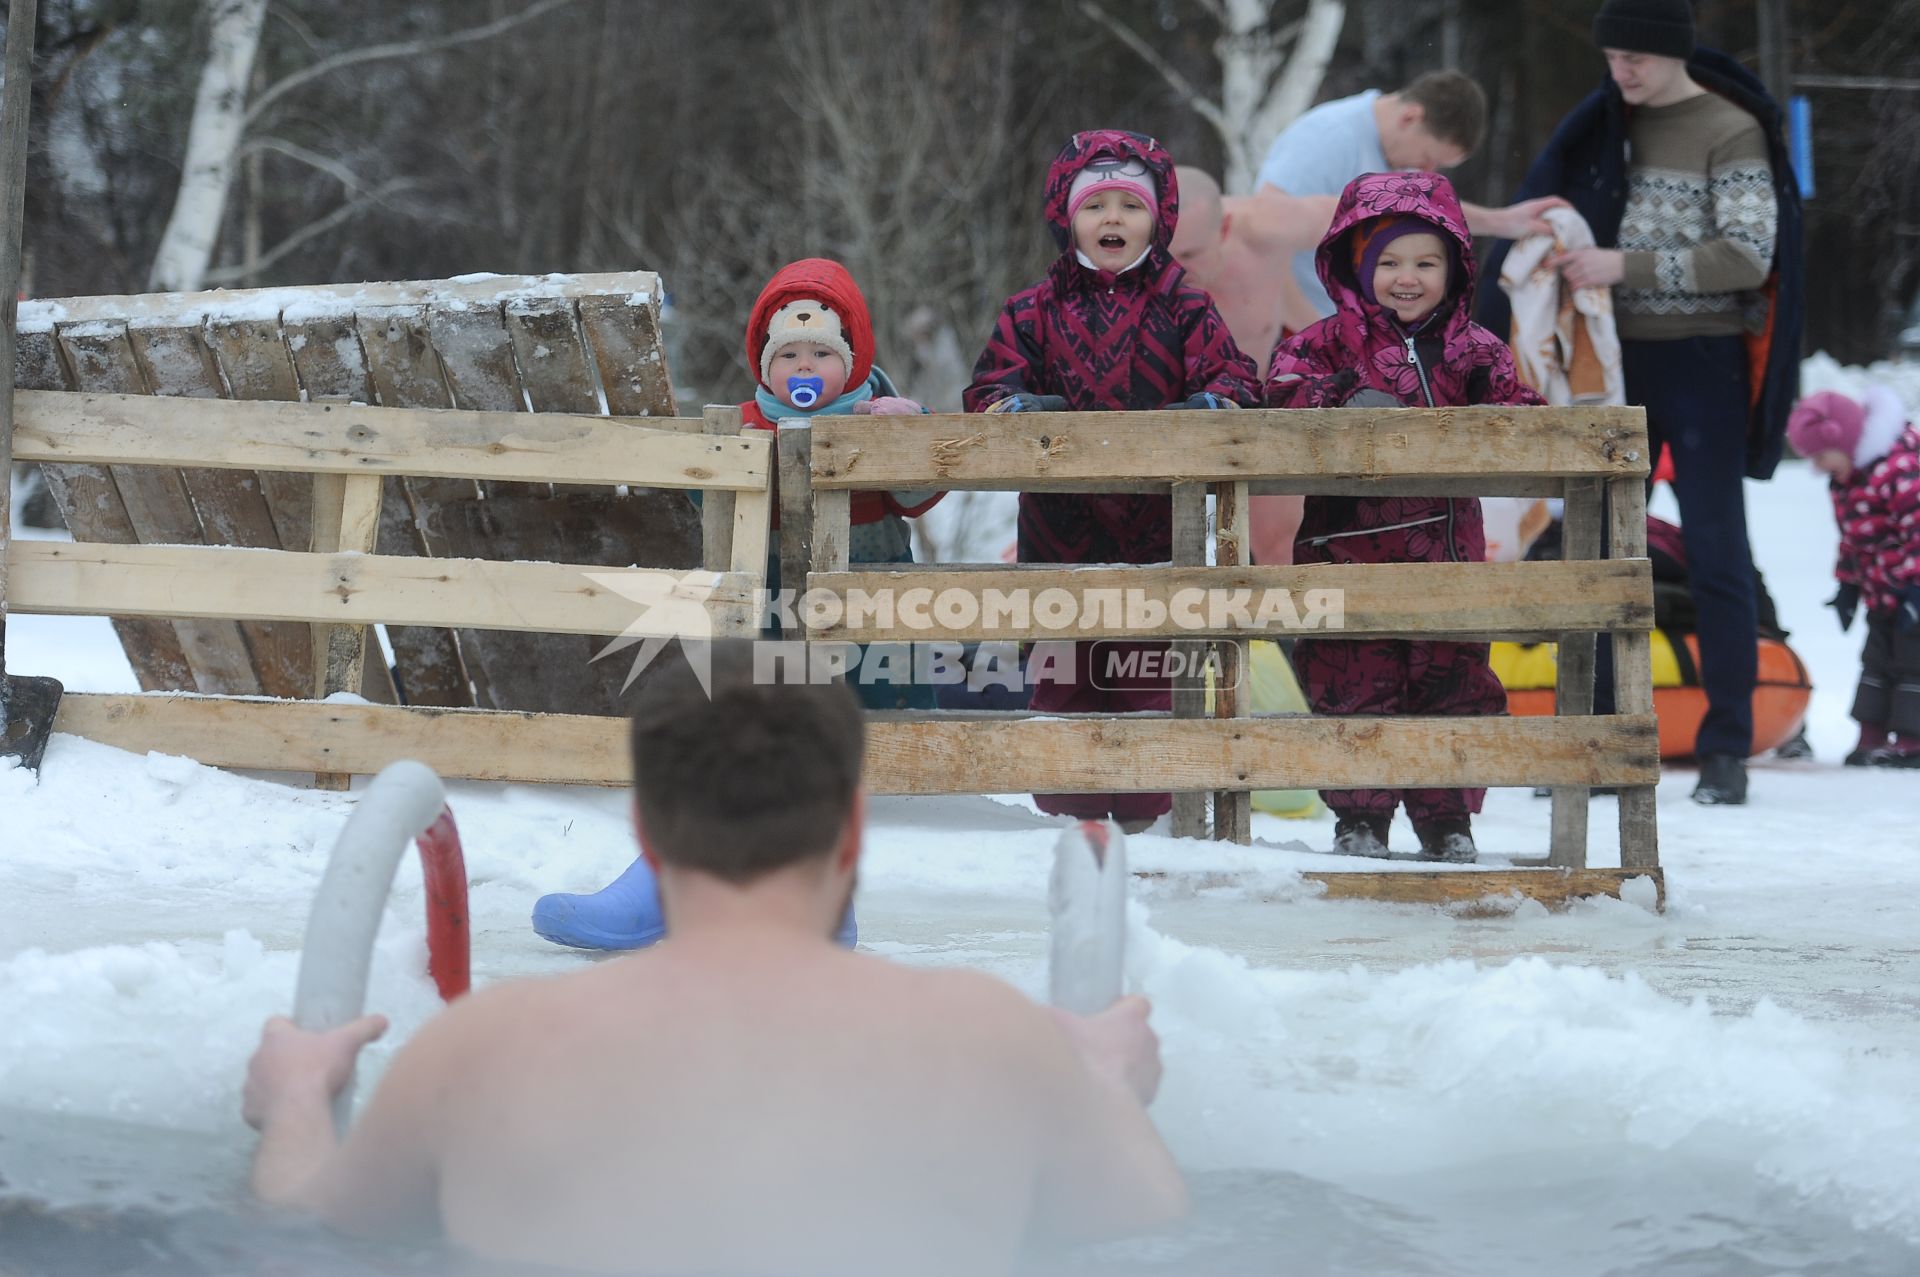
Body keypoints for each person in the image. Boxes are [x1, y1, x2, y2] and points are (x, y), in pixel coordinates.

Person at [243, 641, 1186, 1277]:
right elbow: (1151, 1221)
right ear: (853, 827)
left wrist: (292, 1100)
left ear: (646, 831)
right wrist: (1102, 1084)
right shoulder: (992, 1041)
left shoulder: (481, 1050)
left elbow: (305, 1229)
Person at [532, 258, 936, 950]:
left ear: (852, 359)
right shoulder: (747, 419)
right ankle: (666, 874)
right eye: (788, 355)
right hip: (761, 596)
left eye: (820, 354)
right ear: (764, 361)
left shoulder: (876, 417)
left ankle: (816, 889)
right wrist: (729, 458)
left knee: (827, 734)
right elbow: (704, 492)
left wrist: (908, 433)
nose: (802, 368)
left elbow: (921, 492)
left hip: (858, 603)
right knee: (730, 720)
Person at [1477, 0, 1804, 806]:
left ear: (1675, 54)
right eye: (1612, 58)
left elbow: (1747, 255)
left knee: (1718, 550)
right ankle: (1583, 739)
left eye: (1637, 61)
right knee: (1589, 550)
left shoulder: (1730, 128)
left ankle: (1726, 746)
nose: (1621, 73)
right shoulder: (1602, 125)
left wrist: (1625, 267)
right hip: (1608, 365)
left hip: (1700, 362)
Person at [964, 130, 1261, 833]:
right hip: (1058, 538)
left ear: (1158, 219)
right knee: (1067, 682)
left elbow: (1239, 380)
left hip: (1159, 536)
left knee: (1149, 678)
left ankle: (1148, 820)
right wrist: (1021, 410)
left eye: (1131, 205)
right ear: (1067, 217)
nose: (1113, 220)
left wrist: (1210, 406)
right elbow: (986, 392)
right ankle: (1067, 823)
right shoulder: (1032, 310)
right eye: (1097, 205)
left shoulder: (1185, 304)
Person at [1266, 170, 1546, 861]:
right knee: (1352, 681)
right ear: (1356, 267)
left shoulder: (1474, 349)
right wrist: (1335, 398)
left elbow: (1522, 413)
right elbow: (1278, 397)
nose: (1407, 277)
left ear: (1453, 266)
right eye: (1387, 262)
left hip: (1446, 557)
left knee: (1450, 683)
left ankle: (1447, 819)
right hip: (1348, 552)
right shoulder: (1323, 345)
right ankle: (1359, 817)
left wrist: (1501, 425)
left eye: (1425, 261)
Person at [1254, 70, 1568, 321]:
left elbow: (1423, 204)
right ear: (1410, 117)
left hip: (1347, 331)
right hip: (1294, 332)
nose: (1430, 171)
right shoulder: (1328, 137)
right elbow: (1261, 239)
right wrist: (1312, 334)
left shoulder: (1396, 149)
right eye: (1428, 158)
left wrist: (1502, 222)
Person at [1168, 165, 1317, 564]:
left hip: (1255, 415)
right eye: (1165, 255)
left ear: (1223, 228)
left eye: (1190, 254)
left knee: (1278, 540)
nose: (1177, 270)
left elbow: (1377, 211)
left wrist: (1500, 221)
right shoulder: (1125, 260)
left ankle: (1276, 626)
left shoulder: (1262, 232)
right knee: (1166, 553)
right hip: (1164, 427)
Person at [1786, 388, 1920, 768]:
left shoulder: (1900, 469)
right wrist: (1848, 584)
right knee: (1875, 660)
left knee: (1914, 662)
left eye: (1822, 457)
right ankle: (1871, 732)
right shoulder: (1848, 479)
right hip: (1882, 589)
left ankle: (1912, 739)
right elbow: (1853, 537)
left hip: (1913, 590)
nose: (1819, 467)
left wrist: (1916, 588)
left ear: (1845, 441)